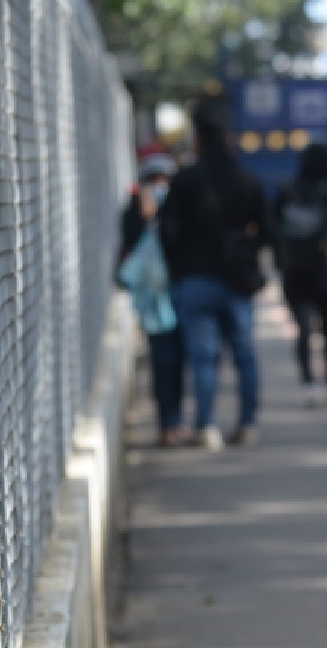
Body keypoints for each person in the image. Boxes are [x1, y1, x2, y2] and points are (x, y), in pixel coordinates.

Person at [158, 93, 273, 451]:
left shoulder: (185, 180)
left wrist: (177, 269)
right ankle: (248, 422)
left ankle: (206, 426)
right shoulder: (247, 179)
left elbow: (167, 232)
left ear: (198, 139)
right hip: (237, 280)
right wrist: (248, 250)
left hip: (194, 279)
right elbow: (269, 231)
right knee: (244, 353)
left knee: (203, 356)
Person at [116, 153, 188, 447]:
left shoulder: (181, 212)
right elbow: (130, 251)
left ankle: (177, 421)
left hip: (179, 294)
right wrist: (148, 220)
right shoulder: (132, 215)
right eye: (154, 181)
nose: (160, 187)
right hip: (154, 302)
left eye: (164, 181)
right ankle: (165, 424)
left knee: (180, 361)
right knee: (162, 361)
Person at [273, 142, 327, 406]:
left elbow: (274, 231)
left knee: (303, 329)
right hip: (326, 271)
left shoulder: (287, 190)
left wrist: (280, 263)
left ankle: (308, 384)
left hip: (294, 271)